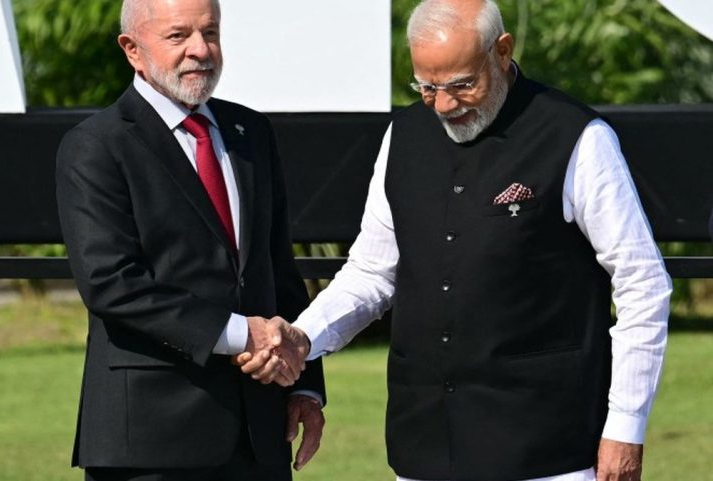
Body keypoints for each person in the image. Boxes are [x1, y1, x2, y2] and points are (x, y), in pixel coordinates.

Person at [239, 1, 671, 480]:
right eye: (427, 87)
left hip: (549, 449)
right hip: (423, 444)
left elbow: (642, 283)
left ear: (502, 52)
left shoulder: (579, 138)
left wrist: (626, 426)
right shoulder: (400, 137)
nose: (444, 104)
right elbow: (371, 272)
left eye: (463, 84)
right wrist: (304, 337)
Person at [55, 0, 325, 480]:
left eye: (211, 33)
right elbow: (112, 284)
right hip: (151, 441)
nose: (201, 50)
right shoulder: (96, 145)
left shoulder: (252, 133)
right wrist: (245, 333)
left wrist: (302, 385)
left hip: (260, 434)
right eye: (179, 36)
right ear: (132, 49)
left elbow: (276, 268)